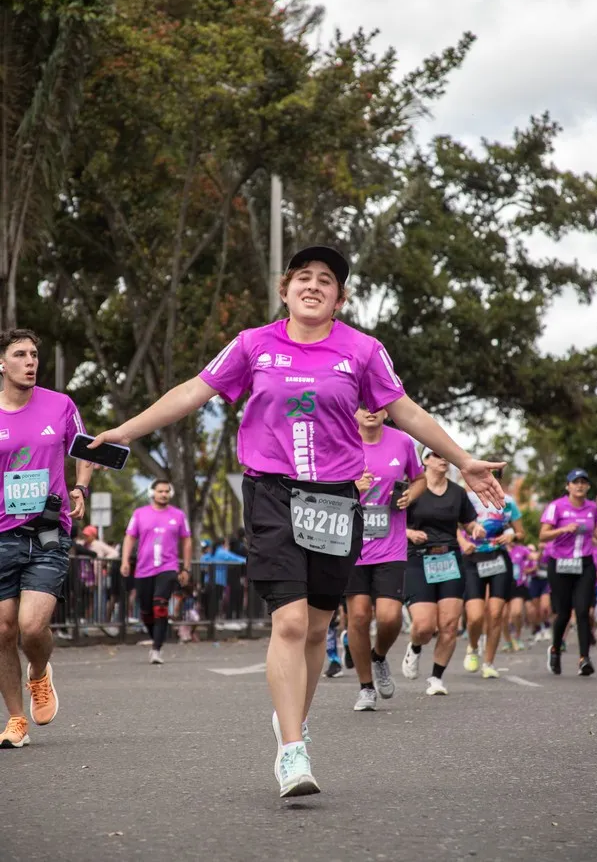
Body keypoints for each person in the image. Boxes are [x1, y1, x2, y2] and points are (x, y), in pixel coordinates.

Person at [88, 245, 505, 798]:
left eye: (326, 280)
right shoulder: (254, 345)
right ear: (284, 291)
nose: (313, 285)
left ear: (340, 298)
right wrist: (124, 431)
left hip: (335, 500)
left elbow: (407, 411)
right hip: (272, 494)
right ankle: (292, 750)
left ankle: (295, 721)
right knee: (286, 624)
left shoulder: (362, 350)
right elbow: (192, 392)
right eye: (302, 277)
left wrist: (464, 458)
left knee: (314, 627)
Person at [0, 328, 91, 748]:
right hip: (2, 535)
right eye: (20, 354)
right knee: (2, 632)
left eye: (34, 354)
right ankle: (16, 719)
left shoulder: (60, 405)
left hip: (49, 531)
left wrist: (81, 488)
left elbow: (85, 450)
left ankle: (39, 672)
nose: (30, 361)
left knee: (32, 627)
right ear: (2, 363)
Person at [346, 407, 425, 711]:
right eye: (364, 406)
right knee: (359, 617)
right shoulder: (342, 440)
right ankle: (366, 687)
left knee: (390, 617)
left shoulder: (402, 441)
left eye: (377, 406)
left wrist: (410, 496)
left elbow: (419, 479)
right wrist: (353, 487)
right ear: (353, 410)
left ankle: (378, 656)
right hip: (351, 545)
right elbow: (322, 484)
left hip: (390, 545)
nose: (371, 411)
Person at [402, 450, 485, 695]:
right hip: (418, 558)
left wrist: (475, 528)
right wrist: (409, 533)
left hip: (449, 558)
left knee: (449, 624)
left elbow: (467, 521)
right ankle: (415, 647)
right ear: (425, 460)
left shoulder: (457, 492)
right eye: (436, 455)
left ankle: (436, 678)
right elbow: (394, 521)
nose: (443, 459)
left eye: (444, 456)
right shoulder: (413, 489)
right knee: (424, 625)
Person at [462, 470, 525, 679]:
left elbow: (521, 533)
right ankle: (472, 647)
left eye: (495, 476)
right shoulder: (468, 499)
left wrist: (512, 537)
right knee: (475, 616)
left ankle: (488, 662)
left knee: (496, 613)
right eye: (486, 475)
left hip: (498, 560)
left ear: (500, 480)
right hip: (473, 560)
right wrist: (463, 542)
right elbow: (452, 523)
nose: (491, 480)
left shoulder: (508, 502)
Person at [121, 480, 192, 664]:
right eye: (160, 491)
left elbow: (187, 540)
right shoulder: (139, 514)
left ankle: (156, 649)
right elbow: (129, 537)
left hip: (168, 567)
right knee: (146, 611)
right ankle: (156, 638)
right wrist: (125, 560)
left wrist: (186, 567)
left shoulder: (178, 515)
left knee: (160, 606)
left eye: (167, 491)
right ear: (152, 492)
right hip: (143, 569)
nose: (164, 494)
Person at [541, 469, 597, 676]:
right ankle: (555, 649)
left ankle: (584, 659)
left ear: (588, 487)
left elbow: (596, 531)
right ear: (568, 486)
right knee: (564, 613)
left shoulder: (592, 508)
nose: (580, 486)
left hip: (584, 564)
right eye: (575, 482)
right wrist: (561, 530)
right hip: (560, 564)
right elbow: (543, 536)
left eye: (584, 482)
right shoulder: (556, 507)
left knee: (583, 611)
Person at [502, 543, 534, 652]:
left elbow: (534, 557)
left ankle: (517, 637)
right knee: (503, 615)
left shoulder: (521, 549)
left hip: (517, 584)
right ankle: (507, 641)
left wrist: (544, 549)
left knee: (517, 612)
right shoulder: (498, 547)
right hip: (502, 584)